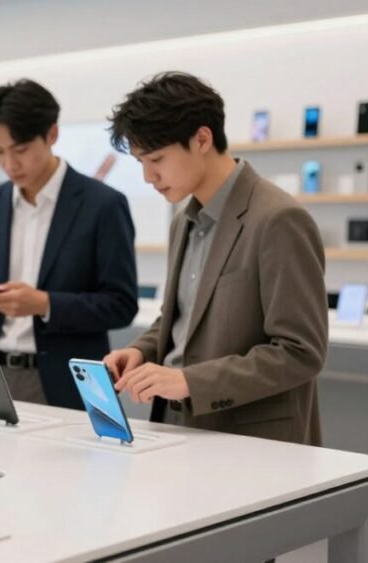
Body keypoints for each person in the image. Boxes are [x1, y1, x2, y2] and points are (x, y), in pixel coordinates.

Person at [105, 72, 327, 445]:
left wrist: (191, 381)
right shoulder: (183, 222)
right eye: (141, 161)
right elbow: (181, 320)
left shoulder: (278, 219)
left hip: (252, 443)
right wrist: (139, 351)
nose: (148, 177)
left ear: (202, 139)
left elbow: (301, 352)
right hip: (174, 430)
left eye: (156, 158)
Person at [0, 79, 138, 408]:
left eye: (20, 150)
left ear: (52, 135)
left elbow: (121, 304)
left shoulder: (103, 205)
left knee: (72, 462)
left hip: (68, 382)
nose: (9, 164)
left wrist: (44, 303)